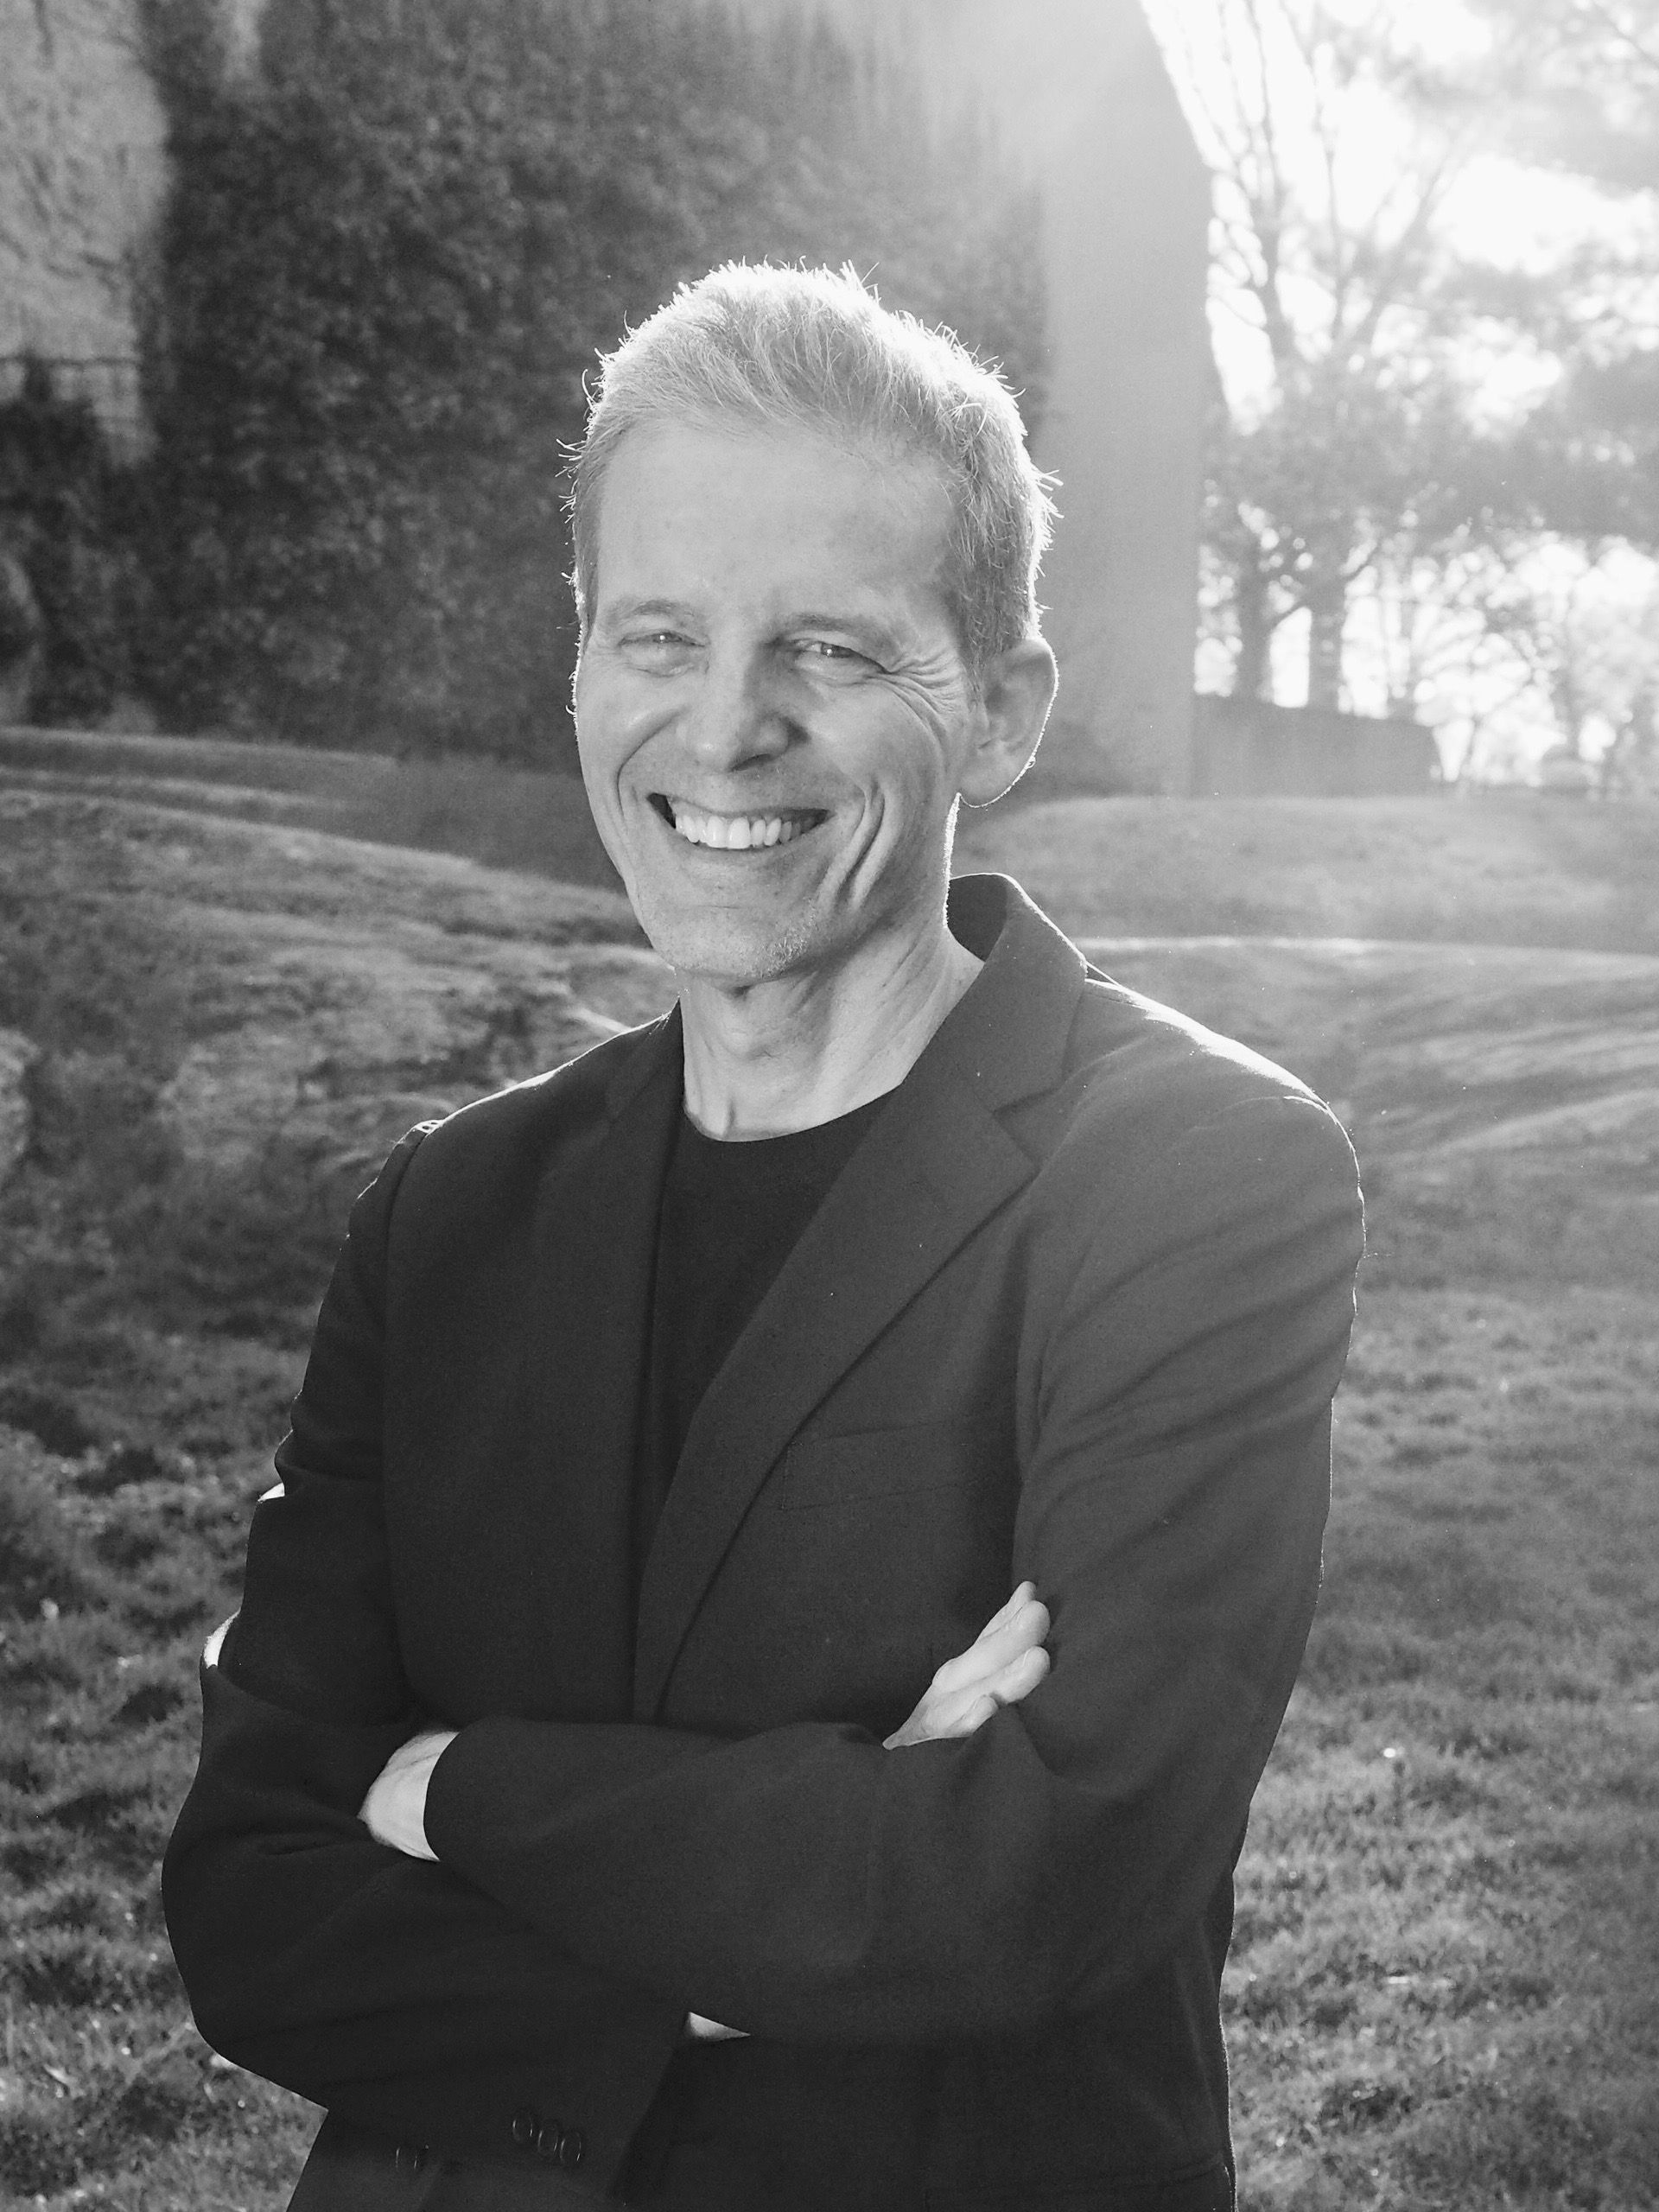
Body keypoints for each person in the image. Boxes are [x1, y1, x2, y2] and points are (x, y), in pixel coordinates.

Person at [163, 264, 1364, 2212]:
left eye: (831, 646)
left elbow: (1032, 1876)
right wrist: (793, 1883)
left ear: (1001, 714)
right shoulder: (448, 1210)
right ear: (580, 671)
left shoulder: (1200, 1180)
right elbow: (246, 1891)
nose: (728, 730)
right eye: (661, 634)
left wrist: (454, 1787)